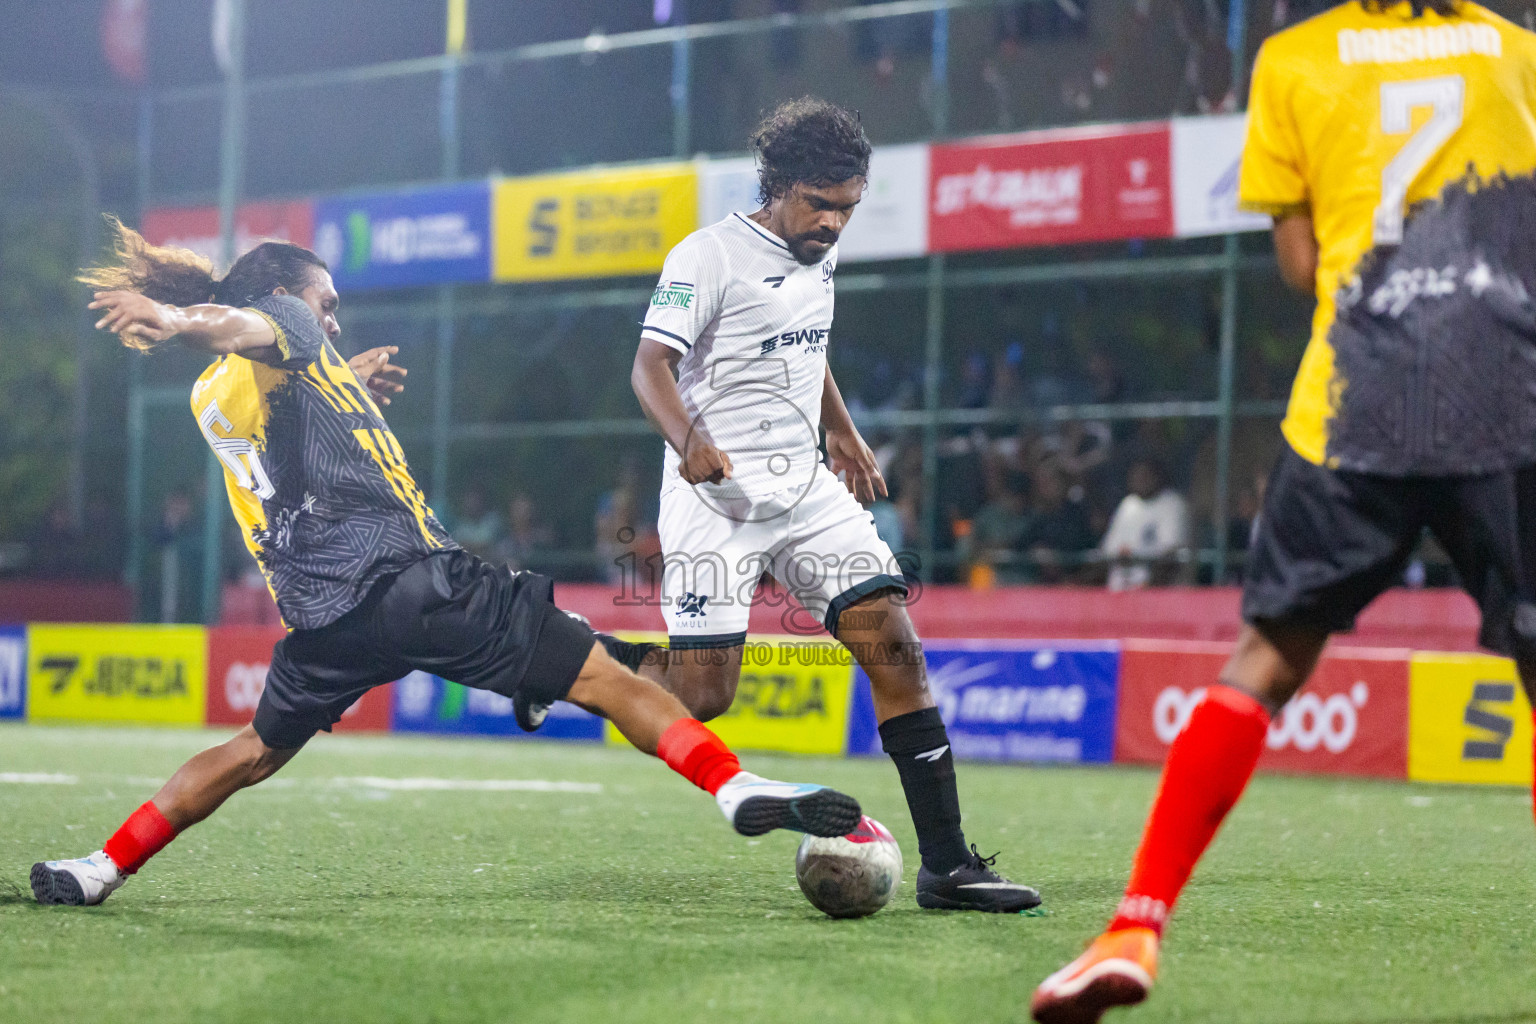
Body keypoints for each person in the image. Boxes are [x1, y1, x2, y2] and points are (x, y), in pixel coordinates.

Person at [30, 220, 863, 907]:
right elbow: (247, 327)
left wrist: (337, 377)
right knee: (613, 681)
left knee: (251, 750)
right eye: (330, 304)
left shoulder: (215, 393)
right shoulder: (279, 321)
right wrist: (180, 319)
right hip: (412, 581)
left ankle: (99, 867)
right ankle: (735, 787)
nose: (335, 320)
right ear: (286, 296)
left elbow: (274, 404)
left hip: (327, 621)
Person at [1032, 2, 1536, 1019]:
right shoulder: (1519, 52)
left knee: (1264, 660)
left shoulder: (1295, 58)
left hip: (1357, 400)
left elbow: (1305, 267)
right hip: (1509, 389)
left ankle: (1134, 922)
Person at [627, 97, 1039, 912]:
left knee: (897, 648)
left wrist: (842, 431)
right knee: (707, 696)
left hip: (806, 486)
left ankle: (948, 867)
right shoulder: (705, 256)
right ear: (778, 185)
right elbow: (648, 368)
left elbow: (803, 346)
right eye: (819, 204)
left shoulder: (820, 252)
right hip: (714, 495)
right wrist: (689, 442)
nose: (833, 223)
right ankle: (586, 663)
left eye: (847, 207)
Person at [1098, 458, 1191, 591]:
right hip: (1119, 594)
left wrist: (1147, 589)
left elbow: (1171, 556)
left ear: (1158, 476)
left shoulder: (1172, 503)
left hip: (1158, 593)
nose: (1140, 480)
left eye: (1145, 475)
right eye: (1136, 475)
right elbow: (1108, 551)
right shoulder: (1128, 504)